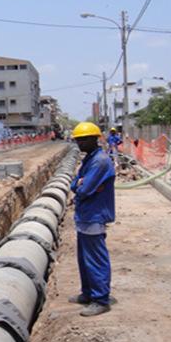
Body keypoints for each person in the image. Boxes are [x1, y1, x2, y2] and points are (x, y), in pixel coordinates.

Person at [69, 122, 116, 317]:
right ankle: (88, 293)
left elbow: (84, 189)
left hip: (94, 215)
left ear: (94, 139)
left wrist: (80, 186)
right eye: (77, 140)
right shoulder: (90, 159)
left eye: (83, 139)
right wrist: (78, 185)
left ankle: (100, 299)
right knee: (84, 258)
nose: (79, 143)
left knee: (95, 259)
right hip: (85, 215)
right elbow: (75, 183)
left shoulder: (100, 161)